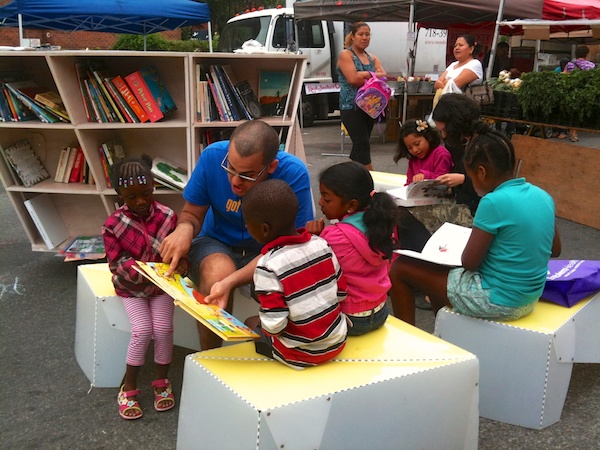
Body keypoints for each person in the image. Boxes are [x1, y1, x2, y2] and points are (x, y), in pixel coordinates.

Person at [159, 120, 314, 350]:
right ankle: (211, 358)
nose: (234, 181)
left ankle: (285, 354)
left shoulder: (294, 174)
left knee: (293, 284)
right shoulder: (212, 156)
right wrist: (184, 229)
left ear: (271, 167)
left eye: (247, 175)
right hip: (216, 241)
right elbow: (191, 214)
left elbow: (290, 246)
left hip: (269, 249)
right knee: (217, 275)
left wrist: (233, 280)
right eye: (230, 168)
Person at [389, 127, 561, 326]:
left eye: (470, 176)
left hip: (498, 300)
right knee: (436, 276)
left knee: (400, 268)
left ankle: (410, 340)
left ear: (481, 172)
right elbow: (555, 249)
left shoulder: (492, 201)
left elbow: (470, 262)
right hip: (530, 296)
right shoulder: (542, 195)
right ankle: (447, 332)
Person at [102, 156, 185, 420]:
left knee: (163, 329)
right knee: (142, 330)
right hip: (132, 289)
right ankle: (129, 386)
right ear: (119, 194)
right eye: (131, 196)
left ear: (153, 186)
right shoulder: (113, 225)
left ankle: (162, 383)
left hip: (161, 289)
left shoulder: (168, 217)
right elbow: (116, 264)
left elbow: (179, 253)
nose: (140, 201)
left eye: (146, 193)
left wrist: (182, 263)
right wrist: (145, 274)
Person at [242, 179, 348, 369]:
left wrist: (265, 324)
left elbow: (275, 327)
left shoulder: (267, 266)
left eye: (248, 224)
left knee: (250, 323)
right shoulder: (321, 244)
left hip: (299, 355)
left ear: (264, 229)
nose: (246, 228)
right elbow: (341, 294)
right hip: (337, 341)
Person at [306, 162, 401, 336]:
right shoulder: (382, 223)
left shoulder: (335, 236)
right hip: (380, 312)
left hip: (351, 319)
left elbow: (317, 274)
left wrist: (314, 241)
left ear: (351, 205)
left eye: (326, 199)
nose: (320, 203)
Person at [337, 21, 387, 170]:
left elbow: (383, 75)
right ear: (352, 36)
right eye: (360, 34)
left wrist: (364, 74)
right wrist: (373, 76)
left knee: (359, 145)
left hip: (369, 108)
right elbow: (353, 79)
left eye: (367, 34)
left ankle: (351, 177)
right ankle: (370, 179)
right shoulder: (346, 54)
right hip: (350, 106)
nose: (364, 37)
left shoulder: (372, 57)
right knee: (362, 144)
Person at [394, 118, 452, 184]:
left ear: (428, 137)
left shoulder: (440, 153)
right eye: (409, 148)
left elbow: (443, 179)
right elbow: (409, 182)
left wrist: (425, 176)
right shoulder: (413, 159)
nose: (415, 150)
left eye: (417, 144)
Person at [564, 45, 596, 142]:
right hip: (586, 92)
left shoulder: (569, 65)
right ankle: (577, 131)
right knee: (580, 112)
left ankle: (573, 132)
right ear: (587, 54)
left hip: (571, 92)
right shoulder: (591, 66)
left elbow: (563, 77)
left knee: (573, 112)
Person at [554, 57, 571, 139]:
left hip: (568, 95)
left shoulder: (571, 70)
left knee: (565, 114)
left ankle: (564, 132)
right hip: (559, 94)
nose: (564, 67)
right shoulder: (557, 70)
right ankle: (558, 131)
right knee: (558, 113)